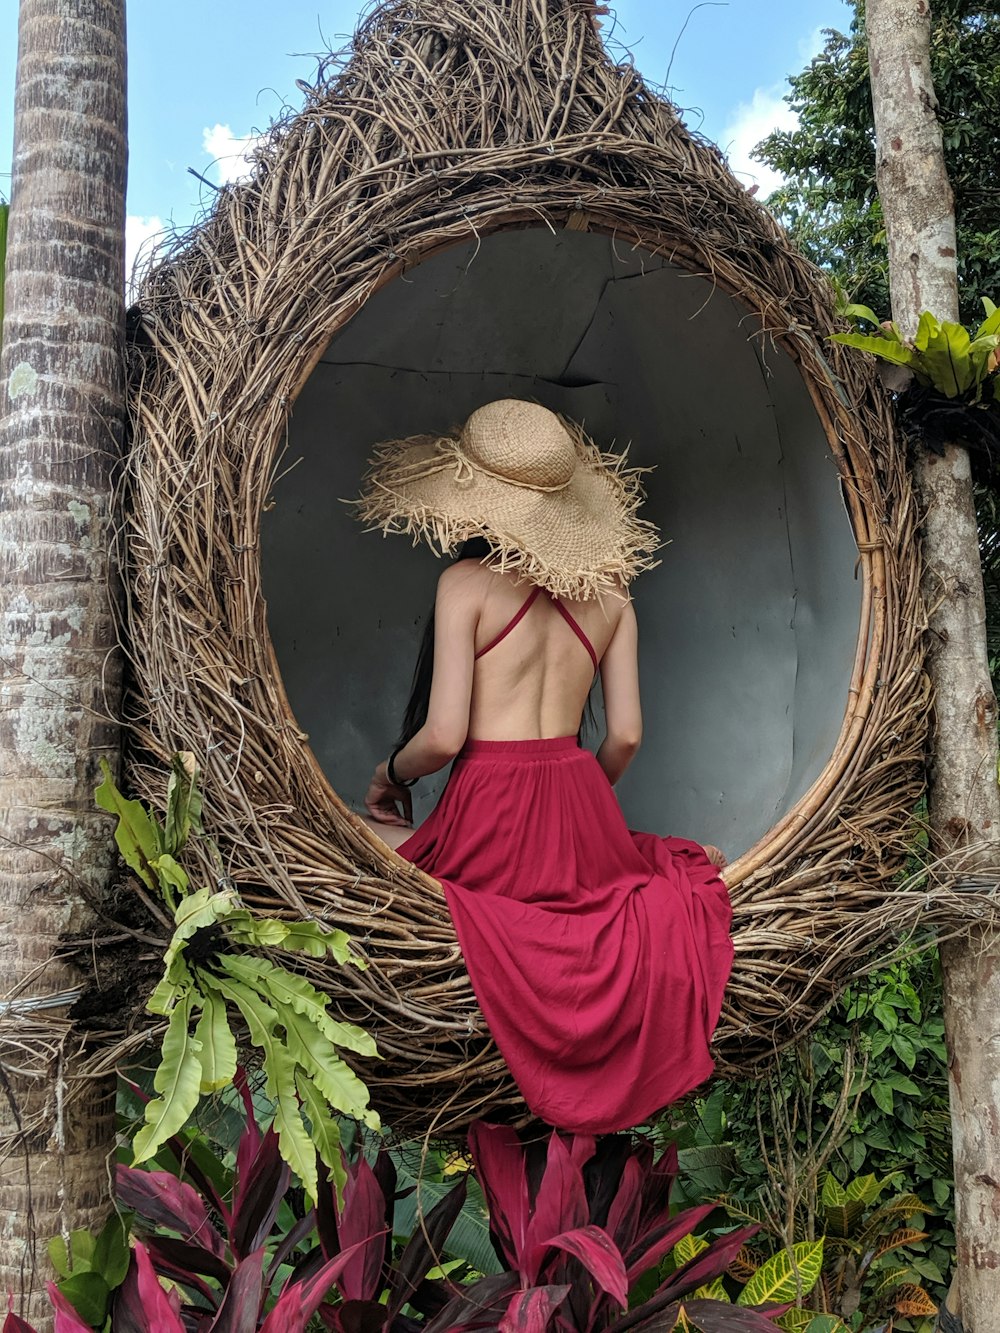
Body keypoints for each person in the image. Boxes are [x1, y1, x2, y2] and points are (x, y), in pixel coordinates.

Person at [354, 399, 733, 1134]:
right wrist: (581, 800)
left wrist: (390, 775)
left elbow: (442, 735)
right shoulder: (614, 596)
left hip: (490, 804)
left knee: (360, 837)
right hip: (583, 799)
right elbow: (623, 736)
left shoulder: (463, 585)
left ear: (472, 495)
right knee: (621, 879)